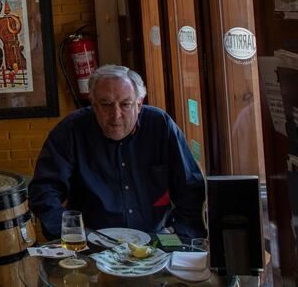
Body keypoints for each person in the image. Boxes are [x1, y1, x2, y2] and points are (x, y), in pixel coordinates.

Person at [29, 64, 206, 240]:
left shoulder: (161, 126)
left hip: (154, 242)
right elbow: (44, 190)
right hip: (92, 244)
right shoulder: (71, 130)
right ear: (94, 104)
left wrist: (179, 238)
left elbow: (190, 189)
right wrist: (71, 234)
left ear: (139, 103)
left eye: (125, 104)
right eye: (106, 105)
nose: (116, 115)